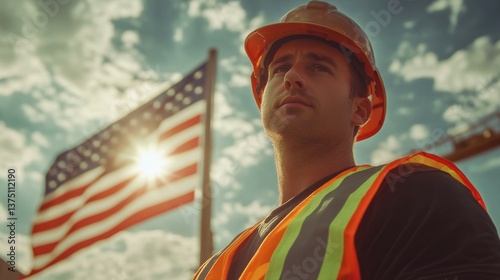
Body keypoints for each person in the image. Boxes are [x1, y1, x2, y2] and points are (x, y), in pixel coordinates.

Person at [193, 1, 500, 279]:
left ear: (360, 109)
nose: (292, 77)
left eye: (318, 67)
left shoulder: (415, 193)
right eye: (281, 68)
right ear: (261, 99)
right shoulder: (211, 269)